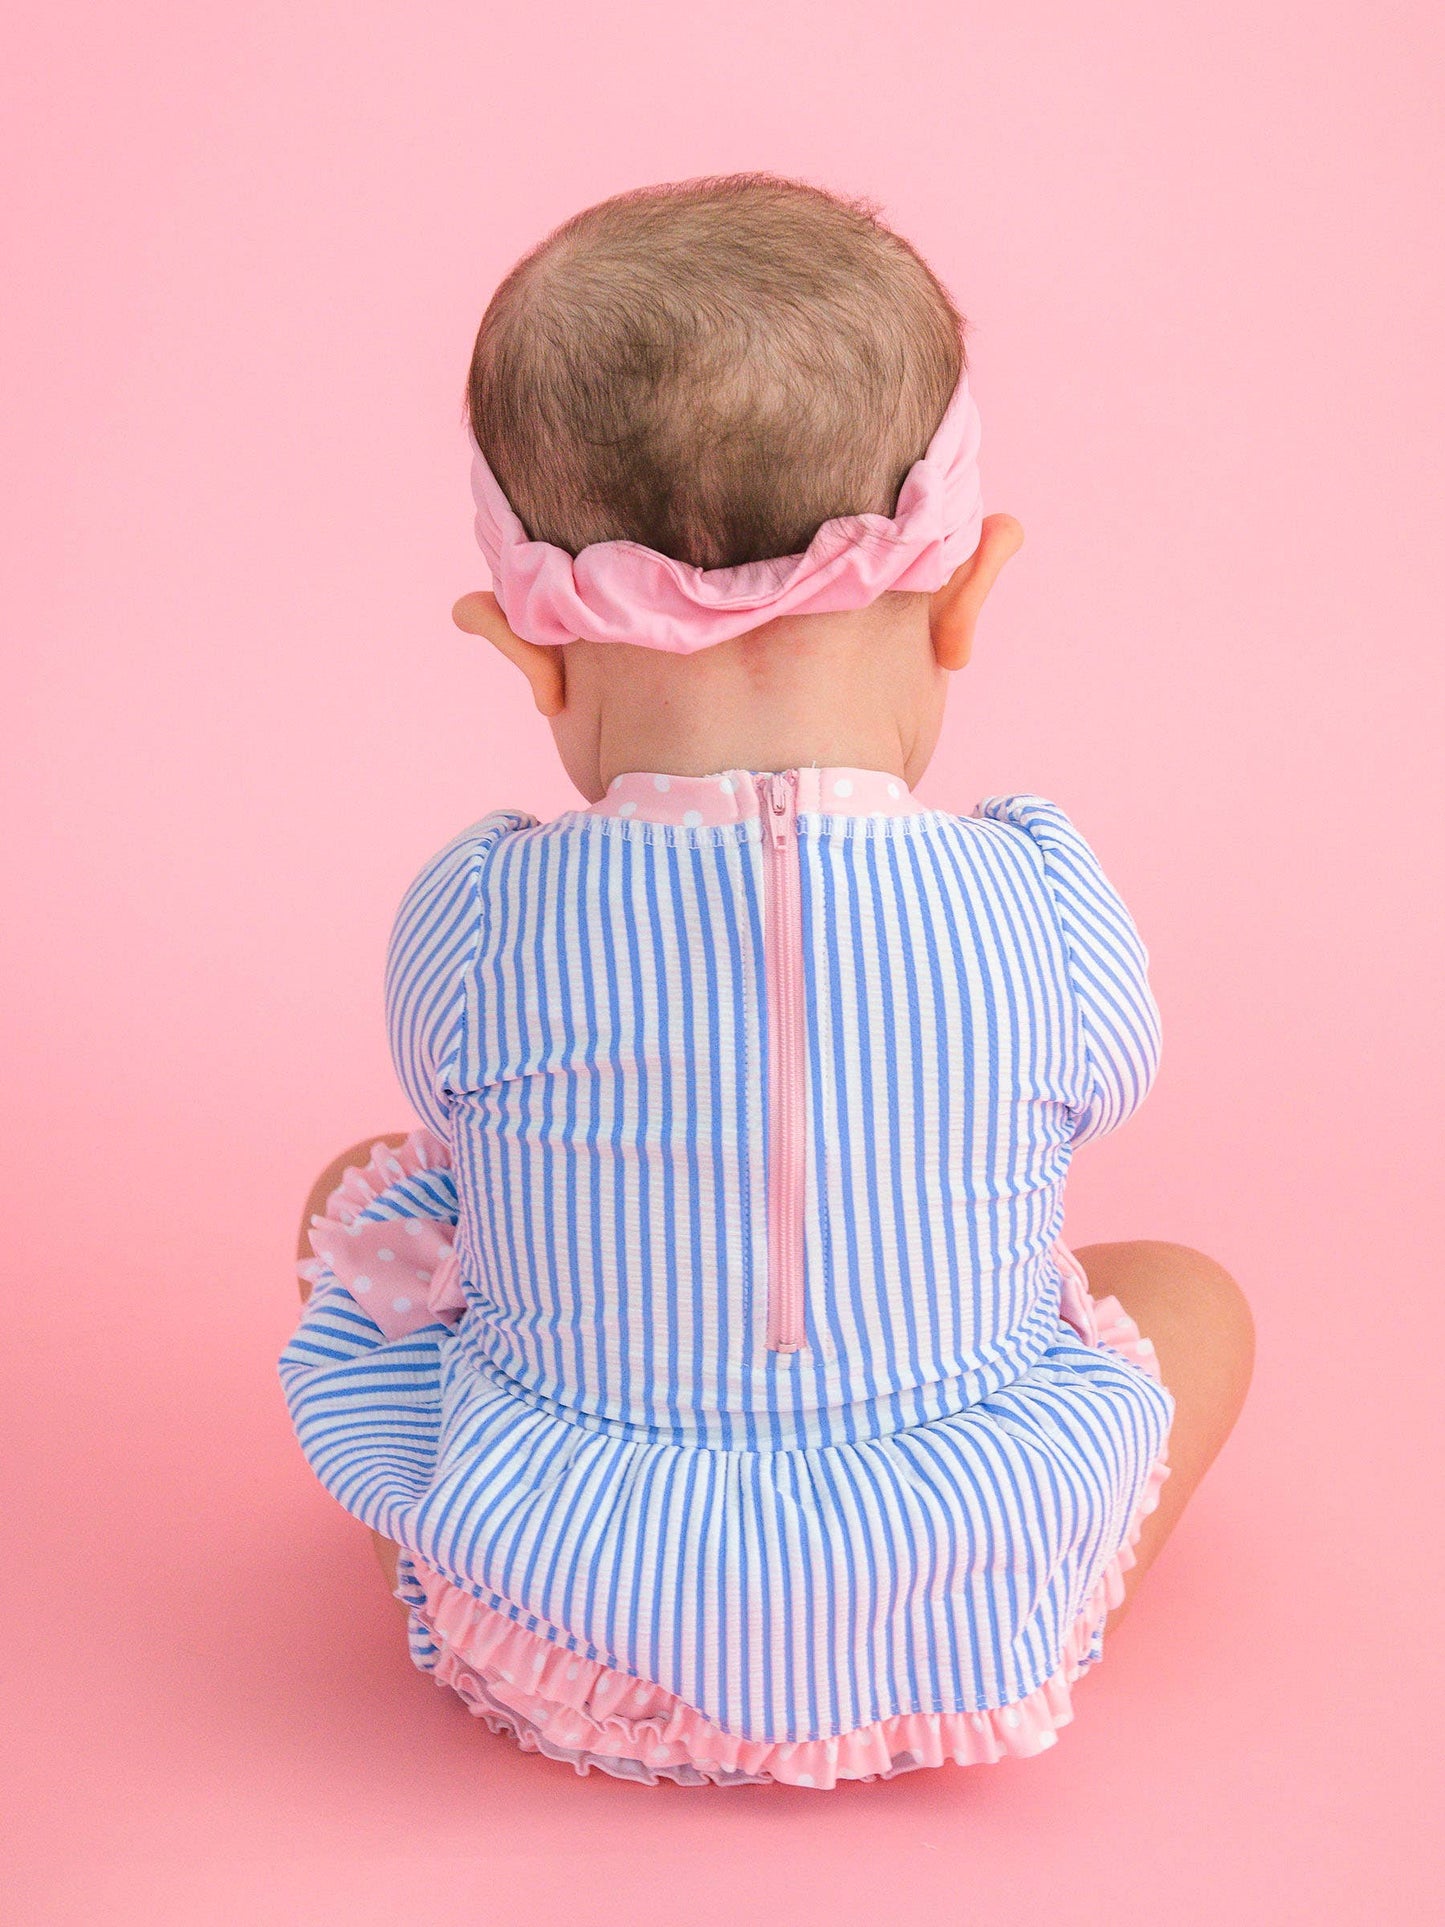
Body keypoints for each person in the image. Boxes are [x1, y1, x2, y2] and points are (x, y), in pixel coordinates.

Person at [281, 174, 1254, 1788]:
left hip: (563, 1619)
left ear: (522, 646)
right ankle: (990, 1639)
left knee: (359, 1192)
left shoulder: (474, 909)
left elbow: (455, 1118)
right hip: (954, 1594)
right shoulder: (1038, 891)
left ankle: (559, 1634)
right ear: (966, 593)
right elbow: (1104, 1084)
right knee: (1185, 1295)